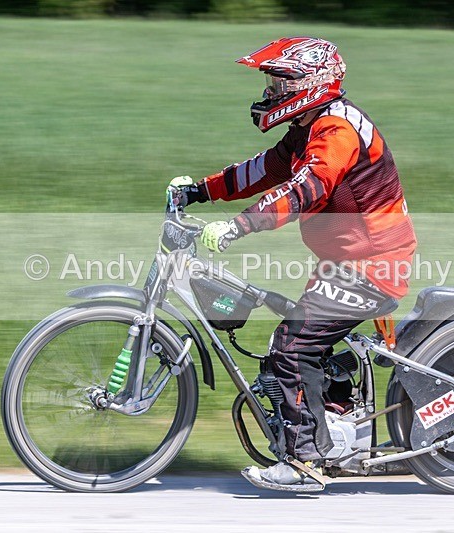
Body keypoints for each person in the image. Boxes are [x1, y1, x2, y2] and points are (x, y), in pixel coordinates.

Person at [167, 37, 417, 492]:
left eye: (278, 83)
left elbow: (306, 189)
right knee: (294, 344)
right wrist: (200, 191)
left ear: (311, 84)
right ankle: (336, 420)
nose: (269, 94)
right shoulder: (310, 126)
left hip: (372, 264)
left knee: (291, 347)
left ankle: (305, 462)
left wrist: (238, 227)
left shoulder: (336, 131)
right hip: (345, 262)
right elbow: (264, 169)